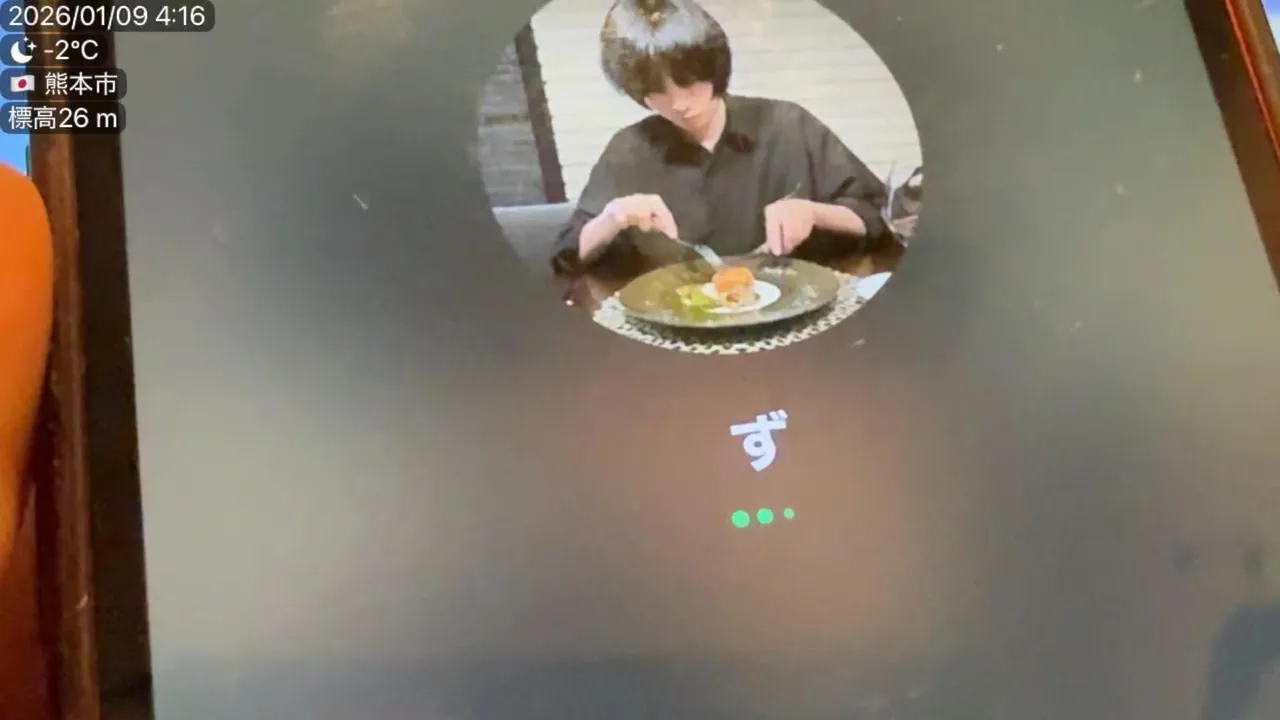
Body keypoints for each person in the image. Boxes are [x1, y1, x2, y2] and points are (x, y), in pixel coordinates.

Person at [552, 0, 898, 275]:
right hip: (678, 321)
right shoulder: (628, 150)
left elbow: (879, 217)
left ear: (713, 68)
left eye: (688, 81)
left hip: (797, 310)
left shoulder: (788, 125)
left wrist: (813, 213)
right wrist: (612, 218)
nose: (679, 103)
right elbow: (567, 255)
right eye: (656, 91)